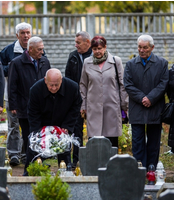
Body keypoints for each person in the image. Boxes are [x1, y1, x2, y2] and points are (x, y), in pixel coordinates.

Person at [24, 68, 82, 175]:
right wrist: (38, 132)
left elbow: (75, 108)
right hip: (42, 122)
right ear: (45, 80)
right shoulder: (35, 89)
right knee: (34, 149)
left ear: (62, 80)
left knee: (64, 148)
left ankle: (66, 172)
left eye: (57, 85)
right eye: (51, 85)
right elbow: (33, 113)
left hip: (63, 121)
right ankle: (29, 174)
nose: (54, 88)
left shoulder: (72, 88)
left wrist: (67, 125)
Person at [123, 34, 169, 169]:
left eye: (145, 48)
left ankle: (152, 168)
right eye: (139, 47)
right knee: (137, 141)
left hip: (155, 108)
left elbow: (164, 83)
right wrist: (143, 98)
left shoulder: (162, 63)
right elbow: (128, 84)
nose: (142, 50)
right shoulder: (131, 64)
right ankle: (139, 169)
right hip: (137, 108)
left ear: (152, 47)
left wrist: (151, 98)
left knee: (154, 142)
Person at [8, 36, 50, 167]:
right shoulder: (17, 63)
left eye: (42, 49)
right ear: (30, 49)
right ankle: (30, 163)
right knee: (28, 135)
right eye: (39, 50)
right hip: (24, 106)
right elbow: (12, 86)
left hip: (42, 107)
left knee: (41, 135)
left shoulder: (45, 62)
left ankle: (40, 162)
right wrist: (13, 105)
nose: (42, 52)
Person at [79, 36, 128, 147]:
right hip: (94, 107)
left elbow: (122, 84)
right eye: (95, 49)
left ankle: (111, 164)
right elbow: (83, 85)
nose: (97, 51)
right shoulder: (87, 62)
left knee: (111, 142)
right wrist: (83, 105)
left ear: (105, 47)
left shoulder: (116, 61)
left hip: (112, 107)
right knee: (95, 141)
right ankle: (95, 164)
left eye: (100, 48)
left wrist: (124, 105)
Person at [0, 22, 32, 166]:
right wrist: (14, 67)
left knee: (29, 126)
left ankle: (27, 154)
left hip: (31, 96)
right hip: (12, 95)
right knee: (13, 125)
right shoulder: (8, 51)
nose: (26, 36)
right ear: (17, 35)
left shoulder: (35, 48)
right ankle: (13, 154)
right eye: (23, 33)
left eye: (28, 33)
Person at [65, 31, 92, 167]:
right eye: (75, 42)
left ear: (88, 42)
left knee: (94, 130)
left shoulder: (95, 54)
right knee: (76, 130)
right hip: (76, 100)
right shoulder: (73, 56)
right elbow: (68, 78)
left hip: (93, 98)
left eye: (78, 43)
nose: (75, 45)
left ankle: (94, 159)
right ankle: (76, 160)